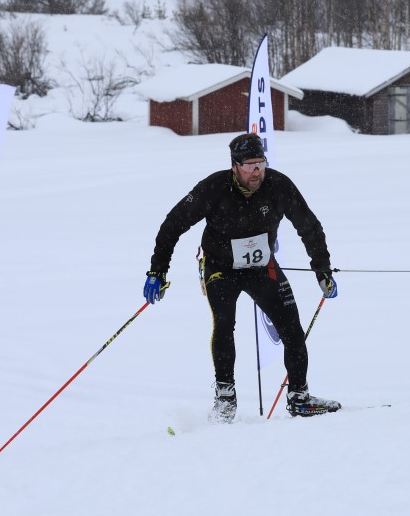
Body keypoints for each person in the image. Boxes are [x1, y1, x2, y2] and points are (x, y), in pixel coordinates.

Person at [142, 133, 341, 422]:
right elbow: (173, 224)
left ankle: (300, 396)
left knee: (292, 328)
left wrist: (322, 269)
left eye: (260, 163)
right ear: (235, 166)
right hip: (221, 269)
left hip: (262, 268)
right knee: (224, 324)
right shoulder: (214, 188)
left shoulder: (278, 185)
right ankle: (225, 400)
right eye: (249, 165)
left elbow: (309, 226)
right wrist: (157, 271)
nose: (256, 171)